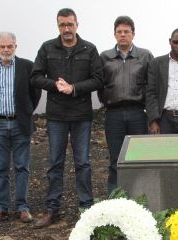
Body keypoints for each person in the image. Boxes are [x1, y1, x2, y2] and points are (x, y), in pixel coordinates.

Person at [30, 8, 103, 228]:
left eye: (70, 24)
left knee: (83, 163)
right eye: (62, 25)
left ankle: (86, 209)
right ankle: (52, 209)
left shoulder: (89, 49)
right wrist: (55, 85)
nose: (67, 29)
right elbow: (35, 76)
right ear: (58, 25)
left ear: (77, 25)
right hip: (56, 116)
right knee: (55, 163)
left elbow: (98, 79)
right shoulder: (47, 48)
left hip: (81, 115)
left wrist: (74, 88)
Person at [0, 32, 41, 224]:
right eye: (2, 46)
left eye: (10, 46)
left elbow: (35, 94)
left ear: (16, 46)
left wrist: (26, 111)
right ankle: (1, 208)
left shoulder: (27, 66)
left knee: (22, 167)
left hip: (20, 123)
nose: (6, 50)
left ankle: (22, 208)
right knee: (0, 168)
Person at [99, 16, 154, 196]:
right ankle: (115, 199)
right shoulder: (105, 57)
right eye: (119, 32)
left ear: (133, 34)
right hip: (113, 114)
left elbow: (152, 84)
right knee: (115, 159)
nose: (123, 35)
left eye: (126, 32)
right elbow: (100, 84)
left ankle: (140, 197)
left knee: (138, 158)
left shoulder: (145, 56)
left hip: (137, 113)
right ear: (114, 34)